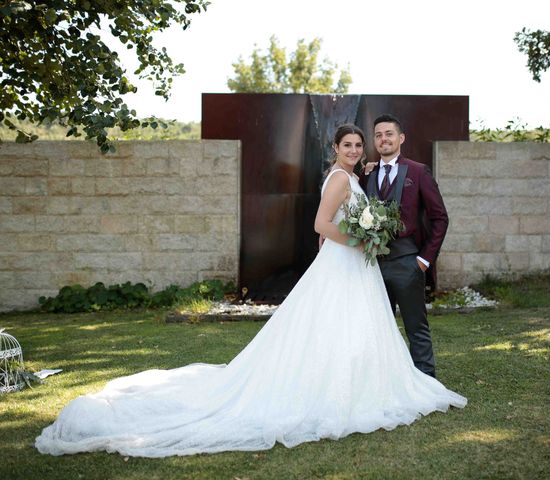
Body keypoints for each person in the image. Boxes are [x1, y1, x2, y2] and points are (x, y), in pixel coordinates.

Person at [35, 124, 465, 458]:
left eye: (359, 145)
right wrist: (362, 240)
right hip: (347, 262)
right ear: (336, 149)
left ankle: (365, 381)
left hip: (357, 266)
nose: (355, 150)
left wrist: (365, 234)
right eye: (348, 145)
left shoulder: (358, 177)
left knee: (351, 327)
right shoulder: (339, 179)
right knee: (334, 323)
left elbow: (349, 217)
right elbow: (321, 226)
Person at [360, 114, 448, 378]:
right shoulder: (368, 174)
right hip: (373, 264)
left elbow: (440, 218)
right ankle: (382, 382)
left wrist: (424, 260)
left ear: (401, 138)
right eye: (378, 135)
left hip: (408, 261)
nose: (383, 139)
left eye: (388, 134)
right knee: (376, 329)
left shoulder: (418, 172)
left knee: (416, 328)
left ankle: (426, 383)